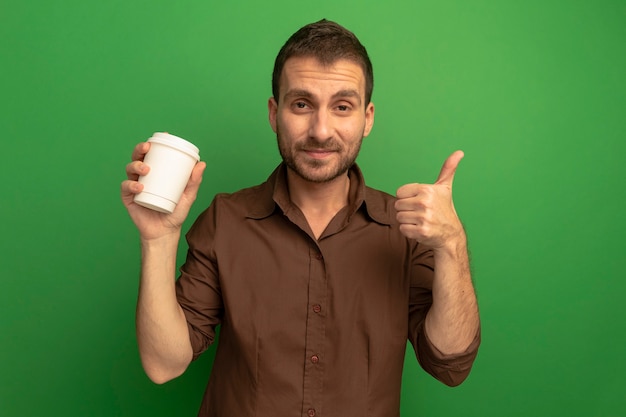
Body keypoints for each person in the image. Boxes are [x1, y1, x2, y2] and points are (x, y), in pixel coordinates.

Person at [121, 19, 480, 417]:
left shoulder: (406, 230)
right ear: (275, 114)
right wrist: (158, 240)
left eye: (342, 106)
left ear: (368, 117)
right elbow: (163, 364)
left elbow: (450, 363)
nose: (321, 130)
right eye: (302, 104)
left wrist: (452, 245)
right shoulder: (226, 220)